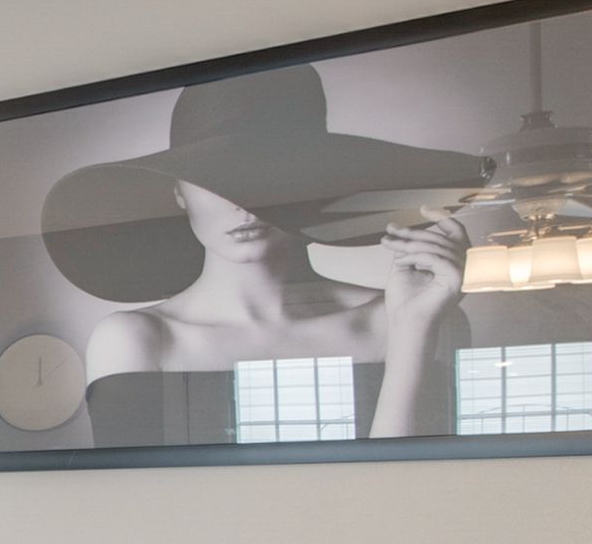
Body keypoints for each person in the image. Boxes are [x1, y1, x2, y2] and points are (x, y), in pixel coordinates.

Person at [40, 62, 488, 446]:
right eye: (214, 179)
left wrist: (412, 329)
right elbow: (135, 511)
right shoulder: (136, 338)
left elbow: (416, 497)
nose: (241, 202)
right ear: (178, 193)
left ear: (310, 184)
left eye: (264, 176)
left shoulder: (408, 317)